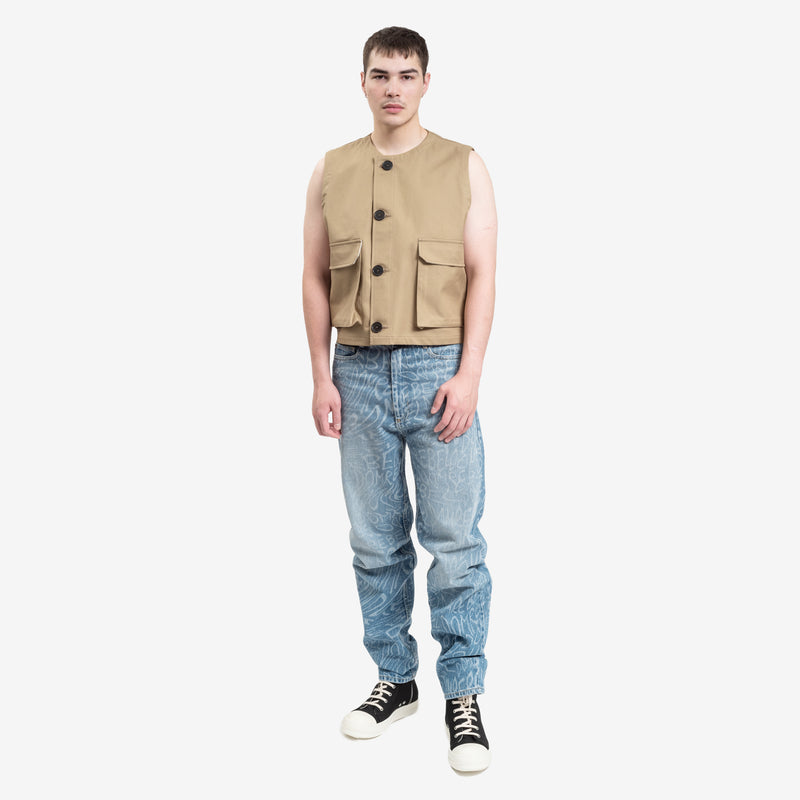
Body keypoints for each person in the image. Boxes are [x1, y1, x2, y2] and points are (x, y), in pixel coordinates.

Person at [302, 26, 497, 773]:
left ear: (425, 82)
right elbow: (314, 276)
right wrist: (320, 375)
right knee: (374, 541)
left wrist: (469, 375)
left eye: (406, 74)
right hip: (355, 371)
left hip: (439, 372)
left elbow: (483, 274)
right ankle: (395, 678)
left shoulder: (464, 165)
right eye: (380, 74)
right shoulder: (332, 169)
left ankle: (464, 693)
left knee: (455, 544)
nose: (393, 88)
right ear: (362, 81)